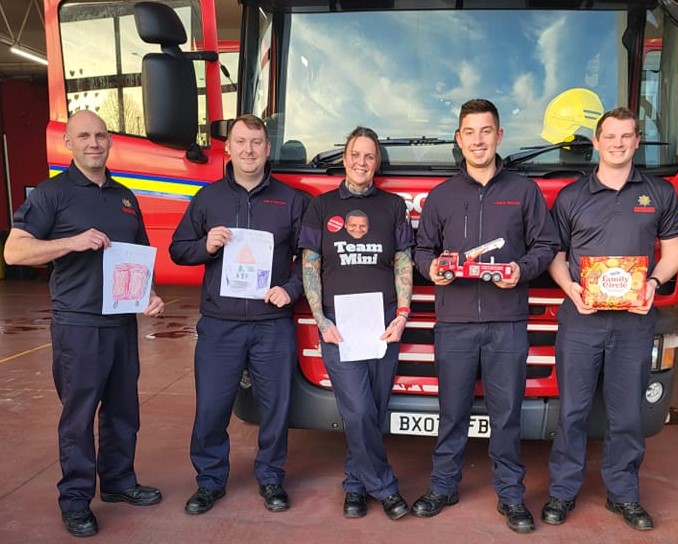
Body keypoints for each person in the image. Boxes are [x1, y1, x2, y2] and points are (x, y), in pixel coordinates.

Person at [4, 110, 165, 538]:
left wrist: (148, 294)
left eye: (100, 135)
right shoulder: (51, 194)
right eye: (84, 137)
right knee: (78, 416)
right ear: (69, 144)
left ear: (109, 141)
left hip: (121, 323)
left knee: (123, 410)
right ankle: (75, 499)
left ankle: (117, 482)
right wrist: (72, 242)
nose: (94, 143)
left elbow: (138, 256)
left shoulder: (124, 195)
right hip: (78, 324)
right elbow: (14, 252)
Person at [412, 99, 558, 534]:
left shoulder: (524, 191)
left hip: (506, 323)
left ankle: (511, 496)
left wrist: (521, 270)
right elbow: (422, 249)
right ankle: (443, 487)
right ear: (459, 139)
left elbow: (545, 246)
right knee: (451, 412)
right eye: (469, 132)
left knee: (506, 413)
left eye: (486, 131)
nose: (478, 140)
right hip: (454, 323)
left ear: (499, 136)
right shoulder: (441, 196)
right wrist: (431, 268)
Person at [542, 107, 678, 531]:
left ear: (637, 141)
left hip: (634, 323)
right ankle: (562, 493)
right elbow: (556, 257)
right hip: (581, 320)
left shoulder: (659, 194)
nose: (618, 143)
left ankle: (623, 495)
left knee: (626, 414)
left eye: (626, 136)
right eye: (610, 136)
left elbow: (674, 254)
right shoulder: (571, 196)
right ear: (597, 142)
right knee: (573, 412)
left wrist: (654, 284)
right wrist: (572, 290)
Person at [169, 114, 308, 515]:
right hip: (220, 325)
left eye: (257, 143)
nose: (248, 150)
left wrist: (291, 289)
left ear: (268, 149)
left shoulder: (293, 200)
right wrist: (206, 246)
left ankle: (271, 479)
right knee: (211, 406)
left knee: (276, 407)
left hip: (271, 325)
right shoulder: (207, 199)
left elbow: (310, 260)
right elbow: (179, 249)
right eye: (241, 142)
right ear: (227, 148)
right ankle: (210, 482)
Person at [299, 126, 413, 520]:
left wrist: (402, 314)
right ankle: (385, 487)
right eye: (355, 155)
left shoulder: (394, 207)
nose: (361, 162)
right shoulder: (322, 206)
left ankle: (354, 485)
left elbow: (403, 262)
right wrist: (320, 319)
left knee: (371, 410)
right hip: (339, 328)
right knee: (360, 408)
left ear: (376, 162)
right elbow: (310, 265)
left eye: (369, 156)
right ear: (345, 159)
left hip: (383, 327)